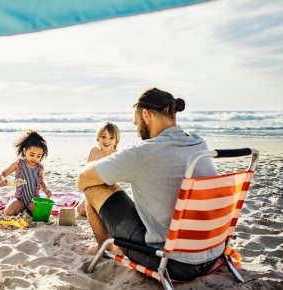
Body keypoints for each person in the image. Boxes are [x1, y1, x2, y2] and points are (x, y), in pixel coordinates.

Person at [76, 88, 222, 281]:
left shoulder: (143, 152)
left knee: (94, 185)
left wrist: (100, 165)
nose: (137, 131)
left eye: (136, 124)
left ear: (146, 115)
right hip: (212, 252)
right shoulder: (199, 143)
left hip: (173, 263)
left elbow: (82, 180)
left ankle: (106, 246)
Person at [0, 130, 52, 215]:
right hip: (20, 200)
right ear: (25, 151)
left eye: (39, 156)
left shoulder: (40, 168)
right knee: (8, 212)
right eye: (32, 154)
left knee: (41, 214)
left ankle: (28, 210)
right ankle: (22, 208)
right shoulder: (18, 165)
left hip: (33, 200)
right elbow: (2, 174)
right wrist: (2, 179)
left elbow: (41, 182)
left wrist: (46, 190)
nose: (35, 158)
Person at [76, 121, 120, 216]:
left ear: (116, 140)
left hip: (109, 190)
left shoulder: (117, 155)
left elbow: (115, 180)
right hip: (93, 187)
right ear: (98, 138)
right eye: (103, 137)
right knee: (80, 210)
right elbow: (86, 173)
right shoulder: (95, 151)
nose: (107, 141)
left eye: (111, 138)